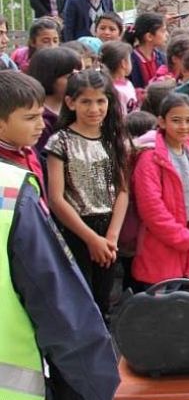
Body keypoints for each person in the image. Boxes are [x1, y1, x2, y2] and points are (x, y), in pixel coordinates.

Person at [0, 68, 120, 400]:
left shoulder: (22, 159)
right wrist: (94, 398)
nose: (41, 124)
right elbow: (56, 303)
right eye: (32, 117)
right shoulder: (11, 188)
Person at [45, 69, 128, 318]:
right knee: (79, 300)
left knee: (103, 300)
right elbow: (56, 198)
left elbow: (123, 191)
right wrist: (92, 239)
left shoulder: (112, 138)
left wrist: (111, 236)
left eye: (100, 101)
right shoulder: (60, 141)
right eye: (86, 102)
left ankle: (104, 350)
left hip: (109, 232)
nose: (94, 108)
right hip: (75, 230)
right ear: (71, 103)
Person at [132, 93, 189, 288]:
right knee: (158, 307)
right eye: (176, 120)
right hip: (160, 245)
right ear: (161, 121)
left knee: (178, 304)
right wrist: (184, 238)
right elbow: (151, 208)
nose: (184, 126)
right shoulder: (150, 158)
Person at [124, 13, 168, 93]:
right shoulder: (129, 60)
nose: (167, 34)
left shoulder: (162, 58)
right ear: (149, 37)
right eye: (163, 31)